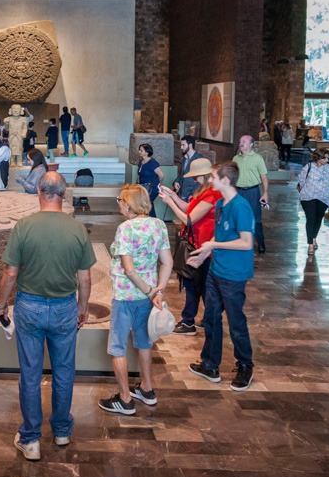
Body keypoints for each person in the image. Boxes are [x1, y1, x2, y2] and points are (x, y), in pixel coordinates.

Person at [0, 171, 95, 461]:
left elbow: (9, 273)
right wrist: (83, 306)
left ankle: (30, 440)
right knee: (64, 371)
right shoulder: (77, 228)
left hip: (29, 306)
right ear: (63, 194)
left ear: (39, 192)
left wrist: (2, 305)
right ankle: (62, 431)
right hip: (65, 306)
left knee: (30, 373)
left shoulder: (24, 226)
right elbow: (85, 277)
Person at [99, 184, 174, 415]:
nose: (119, 204)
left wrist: (151, 291)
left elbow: (129, 270)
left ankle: (125, 399)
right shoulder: (158, 225)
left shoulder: (126, 229)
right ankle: (147, 389)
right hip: (147, 298)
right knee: (144, 342)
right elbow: (168, 262)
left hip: (125, 296)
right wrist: (157, 290)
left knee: (118, 347)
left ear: (129, 204)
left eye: (120, 200)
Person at [185, 162, 256, 391]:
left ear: (226, 180)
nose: (211, 180)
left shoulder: (240, 207)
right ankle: (210, 365)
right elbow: (220, 236)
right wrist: (204, 254)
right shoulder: (221, 204)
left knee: (236, 322)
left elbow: (246, 242)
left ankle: (245, 366)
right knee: (212, 319)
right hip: (215, 269)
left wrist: (213, 244)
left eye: (214, 177)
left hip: (233, 275)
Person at [158, 158, 218, 335]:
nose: (193, 180)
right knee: (193, 284)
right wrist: (173, 196)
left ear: (203, 175)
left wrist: (170, 204)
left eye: (196, 176)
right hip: (195, 243)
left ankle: (195, 321)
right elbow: (188, 208)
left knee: (200, 286)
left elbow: (189, 220)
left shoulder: (212, 194)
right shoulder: (202, 190)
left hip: (203, 247)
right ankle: (198, 319)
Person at [232, 135, 269, 254]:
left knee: (256, 219)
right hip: (238, 191)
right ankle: (239, 242)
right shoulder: (235, 158)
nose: (241, 143)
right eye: (240, 141)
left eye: (244, 141)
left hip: (253, 191)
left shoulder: (258, 158)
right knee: (238, 217)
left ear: (251, 144)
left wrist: (265, 193)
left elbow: (264, 176)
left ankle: (260, 242)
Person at [297, 147, 329, 254]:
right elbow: (302, 181)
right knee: (311, 218)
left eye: (328, 158)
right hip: (308, 197)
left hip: (323, 197)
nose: (327, 160)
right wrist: (308, 189)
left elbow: (328, 181)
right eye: (325, 158)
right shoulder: (308, 167)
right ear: (318, 158)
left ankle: (313, 238)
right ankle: (310, 244)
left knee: (318, 219)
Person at [136, 143, 164, 218]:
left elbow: (161, 175)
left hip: (152, 188)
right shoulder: (141, 162)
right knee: (147, 204)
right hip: (143, 187)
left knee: (148, 203)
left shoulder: (153, 163)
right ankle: (151, 220)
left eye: (141, 150)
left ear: (147, 152)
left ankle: (152, 220)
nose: (139, 152)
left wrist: (158, 184)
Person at [173, 135, 200, 200]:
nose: (181, 147)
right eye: (181, 145)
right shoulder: (184, 158)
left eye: (183, 145)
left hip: (191, 196)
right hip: (181, 194)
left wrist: (192, 195)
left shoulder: (199, 159)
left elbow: (201, 180)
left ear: (190, 145)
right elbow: (181, 174)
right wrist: (176, 182)